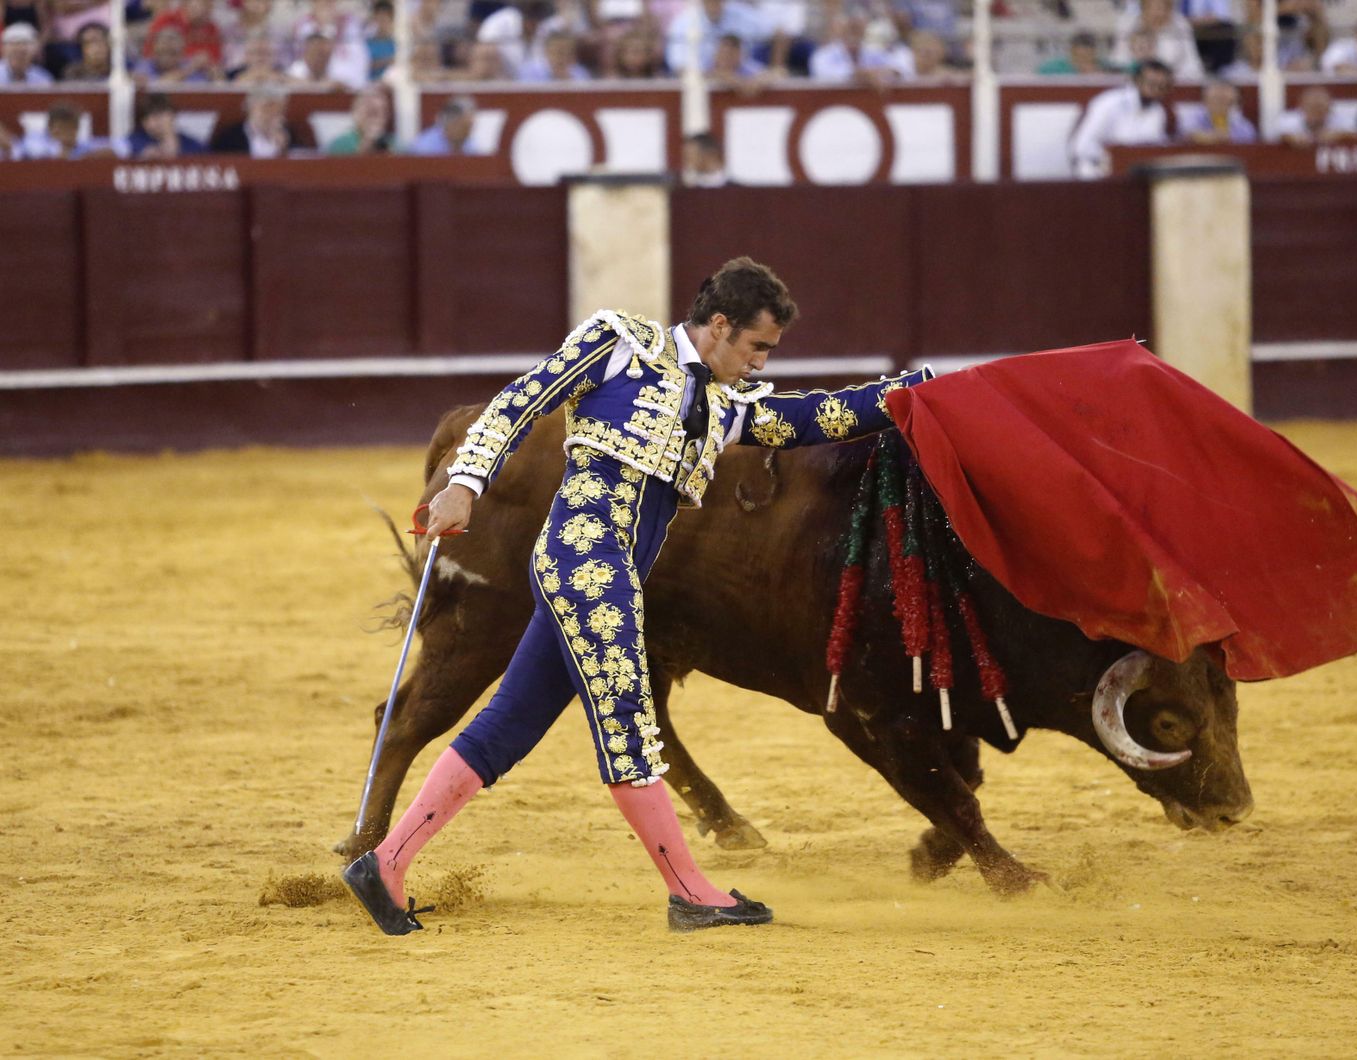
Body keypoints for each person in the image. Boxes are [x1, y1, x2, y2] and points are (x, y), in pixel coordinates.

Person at [342, 258, 935, 935]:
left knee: (509, 725)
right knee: (628, 727)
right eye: (757, 346)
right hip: (587, 568)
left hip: (608, 572)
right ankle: (691, 891)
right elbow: (521, 399)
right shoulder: (620, 343)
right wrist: (466, 484)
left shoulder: (723, 406)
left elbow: (809, 419)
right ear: (719, 326)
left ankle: (385, 865)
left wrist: (912, 392)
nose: (762, 362)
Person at [1069, 59, 1174, 179]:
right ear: (1136, 81)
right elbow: (1081, 146)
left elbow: (1154, 147)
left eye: (1162, 86)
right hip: (1097, 170)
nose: (1156, 90)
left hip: (1137, 174)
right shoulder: (1108, 103)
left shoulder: (1158, 111)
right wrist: (1116, 157)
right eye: (1151, 84)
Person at [211, 84, 311, 156]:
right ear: (250, 108)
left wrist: (284, 149)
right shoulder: (229, 137)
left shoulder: (290, 135)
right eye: (267, 108)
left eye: (279, 110)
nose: (272, 114)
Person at [125, 92, 209, 156]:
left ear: (172, 115)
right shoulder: (134, 141)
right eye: (145, 119)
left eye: (157, 116)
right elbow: (116, 147)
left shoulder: (193, 146)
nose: (150, 124)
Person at [1179, 77, 1257, 143]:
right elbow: (1188, 133)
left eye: (1226, 101)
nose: (1220, 104)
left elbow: (1248, 137)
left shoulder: (1241, 122)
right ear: (1205, 99)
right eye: (1216, 99)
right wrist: (1214, 137)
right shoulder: (1191, 114)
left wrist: (1225, 136)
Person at [1273, 84, 1356, 144]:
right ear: (1302, 106)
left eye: (1320, 107)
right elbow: (1274, 136)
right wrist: (1291, 138)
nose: (1316, 112)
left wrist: (1340, 135)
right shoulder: (1289, 119)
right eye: (1312, 107)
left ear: (1329, 108)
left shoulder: (1340, 120)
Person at [324, 84, 392, 154]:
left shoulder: (395, 144)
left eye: (378, 113)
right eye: (369, 113)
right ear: (355, 112)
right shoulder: (340, 144)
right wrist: (365, 146)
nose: (374, 119)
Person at [409, 93, 481, 154]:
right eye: (466, 127)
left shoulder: (470, 144)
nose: (469, 132)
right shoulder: (425, 147)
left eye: (470, 127)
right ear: (452, 124)